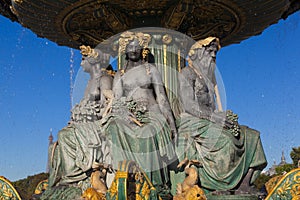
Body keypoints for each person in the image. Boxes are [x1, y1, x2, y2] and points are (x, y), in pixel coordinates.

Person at [175, 37, 267, 195]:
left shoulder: (210, 80)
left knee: (252, 135)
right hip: (191, 121)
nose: (213, 56)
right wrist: (214, 117)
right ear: (197, 55)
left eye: (215, 53)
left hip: (208, 119)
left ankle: (244, 183)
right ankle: (220, 184)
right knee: (226, 140)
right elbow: (189, 105)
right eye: (209, 51)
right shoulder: (187, 73)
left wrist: (224, 117)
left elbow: (212, 107)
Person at [102, 31, 177, 197]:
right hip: (129, 115)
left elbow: (162, 98)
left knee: (148, 133)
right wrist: (125, 114)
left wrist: (172, 123)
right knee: (114, 127)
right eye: (130, 46)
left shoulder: (151, 70)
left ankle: (153, 185)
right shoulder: (120, 74)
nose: (134, 49)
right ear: (125, 50)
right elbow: (117, 100)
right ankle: (124, 180)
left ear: (142, 48)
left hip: (152, 113)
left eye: (137, 46)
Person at [48, 46, 113, 190]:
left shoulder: (105, 78)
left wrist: (92, 115)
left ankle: (72, 178)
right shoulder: (90, 82)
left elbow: (109, 103)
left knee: (64, 135)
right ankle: (65, 179)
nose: (81, 63)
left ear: (93, 60)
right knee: (55, 145)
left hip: (98, 122)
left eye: (84, 59)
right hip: (86, 123)